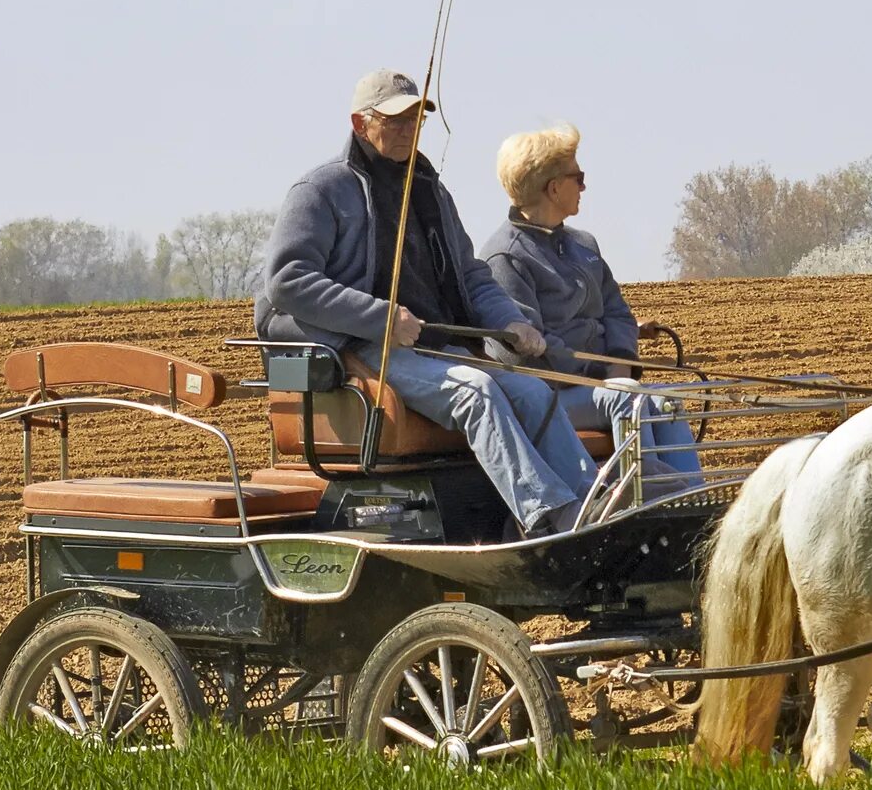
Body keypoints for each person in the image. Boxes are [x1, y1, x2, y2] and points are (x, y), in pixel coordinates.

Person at [255, 70, 597, 538]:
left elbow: (470, 274)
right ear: (360, 123)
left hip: (435, 346)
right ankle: (545, 517)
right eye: (395, 119)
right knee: (475, 393)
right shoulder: (321, 191)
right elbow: (287, 281)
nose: (407, 129)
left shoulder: (431, 192)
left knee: (534, 393)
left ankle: (592, 509)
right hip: (365, 348)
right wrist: (381, 318)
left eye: (416, 118)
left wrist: (510, 321)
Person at [481, 124, 705, 494]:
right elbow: (528, 352)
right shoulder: (506, 255)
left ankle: (692, 497)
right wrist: (605, 374)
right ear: (554, 188)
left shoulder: (584, 244)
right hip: (547, 397)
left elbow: (617, 310)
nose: (584, 186)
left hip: (604, 385)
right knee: (628, 397)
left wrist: (619, 360)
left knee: (668, 402)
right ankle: (646, 500)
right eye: (577, 177)